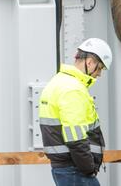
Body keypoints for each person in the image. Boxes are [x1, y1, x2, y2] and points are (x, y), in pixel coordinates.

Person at [39, 38, 113, 185]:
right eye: (99, 68)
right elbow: (75, 138)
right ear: (90, 62)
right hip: (75, 170)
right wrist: (88, 169)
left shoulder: (57, 82)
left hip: (65, 168)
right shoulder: (73, 89)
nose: (99, 74)